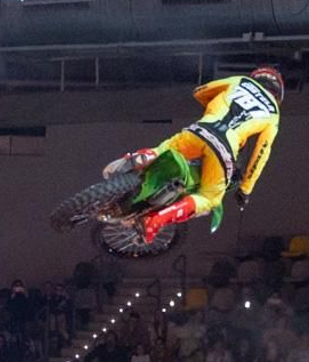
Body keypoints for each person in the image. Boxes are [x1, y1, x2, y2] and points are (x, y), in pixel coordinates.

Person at [100, 67, 283, 242]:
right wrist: (245, 189)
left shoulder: (240, 81)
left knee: (164, 149)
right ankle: (154, 221)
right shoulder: (273, 114)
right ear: (278, 94)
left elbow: (200, 91)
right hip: (224, 148)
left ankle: (146, 156)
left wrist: (211, 110)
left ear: (256, 77)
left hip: (201, 130)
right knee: (209, 198)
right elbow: (261, 154)